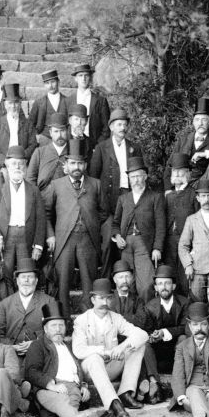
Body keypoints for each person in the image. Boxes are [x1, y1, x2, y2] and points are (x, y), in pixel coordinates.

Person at [73, 278, 149, 417]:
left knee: (138, 346)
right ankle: (114, 404)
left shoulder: (116, 318)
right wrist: (104, 351)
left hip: (111, 366)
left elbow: (142, 335)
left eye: (108, 299)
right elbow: (78, 350)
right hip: (91, 370)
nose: (104, 303)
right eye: (100, 298)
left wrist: (122, 346)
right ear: (93, 299)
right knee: (94, 358)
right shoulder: (81, 320)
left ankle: (125, 392)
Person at [45, 139, 104, 319]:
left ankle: (88, 324)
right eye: (72, 163)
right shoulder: (56, 185)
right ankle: (63, 322)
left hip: (88, 239)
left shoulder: (95, 184)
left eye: (79, 163)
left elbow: (104, 212)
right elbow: (46, 213)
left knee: (89, 284)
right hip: (64, 240)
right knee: (62, 284)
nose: (76, 167)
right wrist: (51, 235)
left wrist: (92, 226)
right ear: (66, 165)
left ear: (85, 165)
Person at [24, 301, 95, 417]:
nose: (58, 329)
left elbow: (78, 370)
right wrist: (52, 385)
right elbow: (31, 371)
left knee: (72, 396)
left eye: (61, 325)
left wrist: (84, 386)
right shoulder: (38, 346)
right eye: (54, 325)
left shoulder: (69, 346)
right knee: (62, 400)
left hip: (73, 388)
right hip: (48, 389)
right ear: (45, 329)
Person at [0, 146, 47, 288]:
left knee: (26, 274)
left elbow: (41, 220)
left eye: (21, 163)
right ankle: (7, 305)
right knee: (5, 274)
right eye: (13, 163)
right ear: (7, 165)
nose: (17, 167)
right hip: (6, 239)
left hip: (27, 238)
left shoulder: (34, 191)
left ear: (25, 166)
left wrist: (38, 245)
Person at [89, 109, 143, 257]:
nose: (122, 128)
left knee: (127, 235)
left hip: (128, 196)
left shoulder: (134, 148)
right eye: (119, 124)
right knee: (108, 239)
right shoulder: (101, 148)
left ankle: (125, 271)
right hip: (107, 200)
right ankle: (108, 275)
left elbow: (141, 174)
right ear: (111, 127)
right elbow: (93, 177)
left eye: (125, 125)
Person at [112, 156, 166, 301]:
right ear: (129, 178)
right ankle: (129, 315)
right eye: (132, 177)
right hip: (126, 245)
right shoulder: (123, 199)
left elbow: (161, 225)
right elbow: (115, 223)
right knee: (127, 283)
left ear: (145, 176)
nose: (136, 180)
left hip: (144, 243)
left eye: (138, 176)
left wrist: (157, 248)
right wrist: (117, 237)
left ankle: (145, 316)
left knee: (146, 284)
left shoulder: (155, 197)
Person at [142, 265, 189, 404]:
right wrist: (154, 335)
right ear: (155, 287)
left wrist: (165, 332)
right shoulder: (150, 306)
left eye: (167, 283)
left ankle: (179, 379)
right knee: (145, 344)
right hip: (159, 356)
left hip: (177, 354)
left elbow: (185, 327)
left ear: (173, 286)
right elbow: (147, 330)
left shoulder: (184, 303)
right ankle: (154, 382)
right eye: (160, 283)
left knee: (184, 338)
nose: (164, 287)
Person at [0, 258, 54, 368]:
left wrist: (35, 344)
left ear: (36, 281)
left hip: (40, 353)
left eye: (30, 277)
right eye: (23, 277)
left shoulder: (48, 301)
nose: (26, 280)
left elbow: (54, 331)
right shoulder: (4, 304)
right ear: (17, 281)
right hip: (11, 354)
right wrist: (12, 347)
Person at [164, 97, 209, 193]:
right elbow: (169, 165)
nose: (200, 123)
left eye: (204, 120)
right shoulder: (183, 140)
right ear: (193, 122)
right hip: (183, 182)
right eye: (197, 120)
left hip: (203, 182)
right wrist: (168, 189)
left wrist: (206, 154)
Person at [163, 152, 199, 297]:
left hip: (187, 244)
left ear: (188, 174)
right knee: (171, 278)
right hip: (170, 242)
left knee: (185, 281)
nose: (177, 175)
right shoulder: (168, 195)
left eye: (180, 172)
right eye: (174, 172)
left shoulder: (194, 195)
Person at [0, 84, 38, 169]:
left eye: (16, 102)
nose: (13, 106)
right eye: (10, 103)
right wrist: (4, 161)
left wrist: (22, 158)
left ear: (20, 104)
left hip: (22, 164)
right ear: (5, 105)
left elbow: (33, 144)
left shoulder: (28, 124)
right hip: (3, 166)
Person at [27, 112, 69, 197]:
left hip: (66, 200)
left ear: (67, 131)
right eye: (56, 131)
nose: (59, 135)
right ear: (50, 132)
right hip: (43, 199)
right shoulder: (39, 152)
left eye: (62, 131)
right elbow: (30, 179)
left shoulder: (73, 152)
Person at [67, 63, 110, 142]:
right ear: (75, 78)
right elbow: (65, 125)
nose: (83, 78)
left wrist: (98, 147)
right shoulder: (68, 100)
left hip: (94, 144)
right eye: (80, 75)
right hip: (73, 144)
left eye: (86, 75)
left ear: (90, 77)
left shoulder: (101, 101)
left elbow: (106, 128)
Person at [29, 69, 68, 141]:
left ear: (58, 82)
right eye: (47, 83)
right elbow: (30, 124)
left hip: (63, 138)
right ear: (44, 85)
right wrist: (36, 136)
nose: (50, 86)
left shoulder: (67, 101)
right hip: (44, 138)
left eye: (53, 82)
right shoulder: (38, 103)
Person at [109, 260, 147, 329]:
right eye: (121, 277)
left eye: (127, 276)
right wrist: (132, 317)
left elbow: (141, 322)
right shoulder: (108, 299)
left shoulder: (138, 300)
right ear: (114, 279)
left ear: (132, 278)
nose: (125, 281)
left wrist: (116, 318)